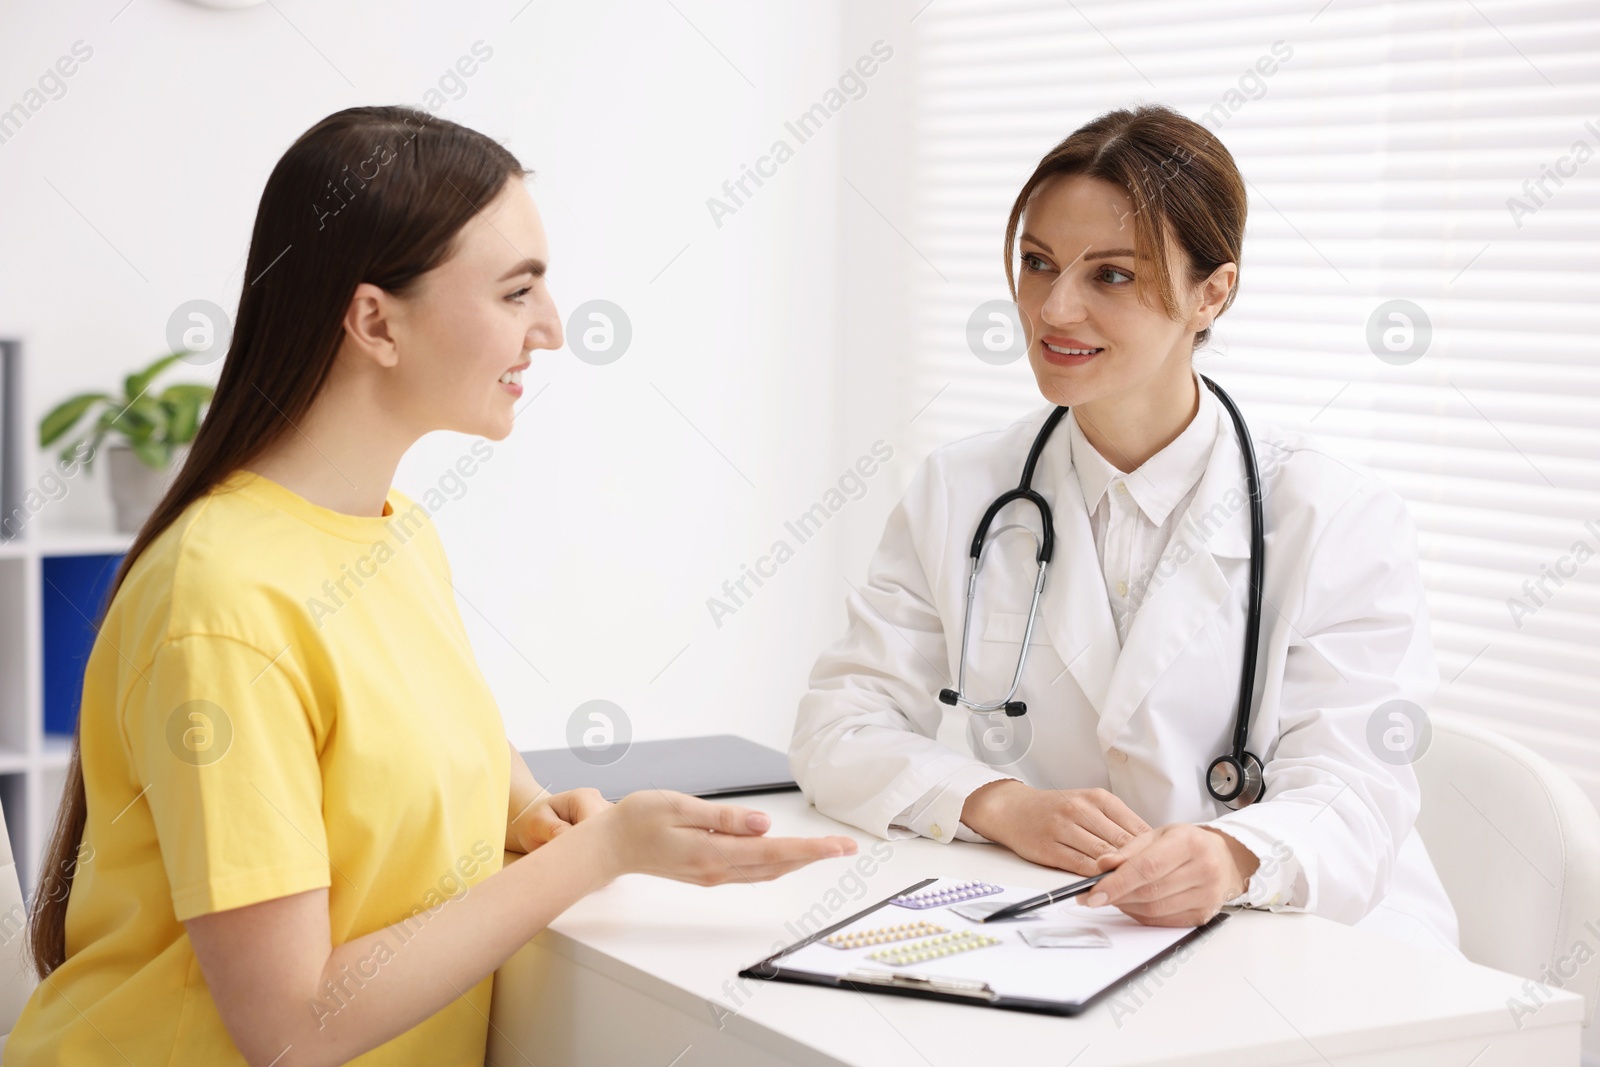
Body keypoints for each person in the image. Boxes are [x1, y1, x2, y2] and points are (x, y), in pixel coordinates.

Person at [7, 105, 856, 1067]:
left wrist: (543, 813)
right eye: (516, 291)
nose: (552, 327)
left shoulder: (395, 535)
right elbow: (289, 1028)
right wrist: (600, 852)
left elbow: (460, 762)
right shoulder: (221, 601)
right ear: (375, 320)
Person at [790, 104, 1460, 955]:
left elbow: (1360, 787)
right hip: (1076, 929)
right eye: (1038, 263)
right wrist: (998, 803)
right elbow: (840, 723)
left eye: (1110, 276)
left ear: (1213, 291)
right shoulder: (961, 490)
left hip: (1315, 942)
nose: (1054, 307)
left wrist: (1232, 853)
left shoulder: (1332, 514)